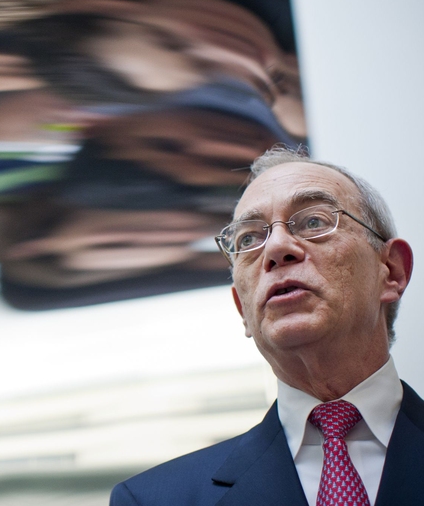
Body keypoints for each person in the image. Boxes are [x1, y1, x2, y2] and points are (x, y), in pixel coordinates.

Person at [110, 146, 421, 505]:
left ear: (391, 272)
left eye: (314, 221)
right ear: (243, 308)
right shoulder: (152, 500)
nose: (276, 248)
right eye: (249, 239)